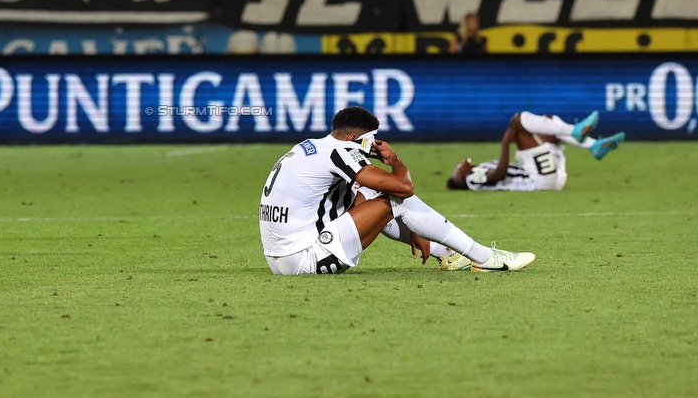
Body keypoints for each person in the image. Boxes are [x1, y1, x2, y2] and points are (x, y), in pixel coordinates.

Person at [259, 106, 536, 275]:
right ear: (353, 138)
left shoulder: (309, 146)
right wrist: (395, 161)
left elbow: (358, 204)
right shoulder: (341, 151)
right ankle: (485, 257)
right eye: (370, 141)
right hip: (306, 260)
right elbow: (404, 188)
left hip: (281, 260)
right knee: (398, 200)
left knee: (369, 196)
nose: (373, 146)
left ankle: (447, 254)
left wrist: (414, 230)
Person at [447, 111, 625, 193]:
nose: (463, 162)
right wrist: (506, 143)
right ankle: (577, 133)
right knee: (520, 119)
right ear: (460, 175)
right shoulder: (472, 179)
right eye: (459, 166)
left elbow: (510, 173)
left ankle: (593, 146)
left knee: (550, 121)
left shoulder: (480, 169)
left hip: (546, 179)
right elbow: (499, 174)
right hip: (538, 182)